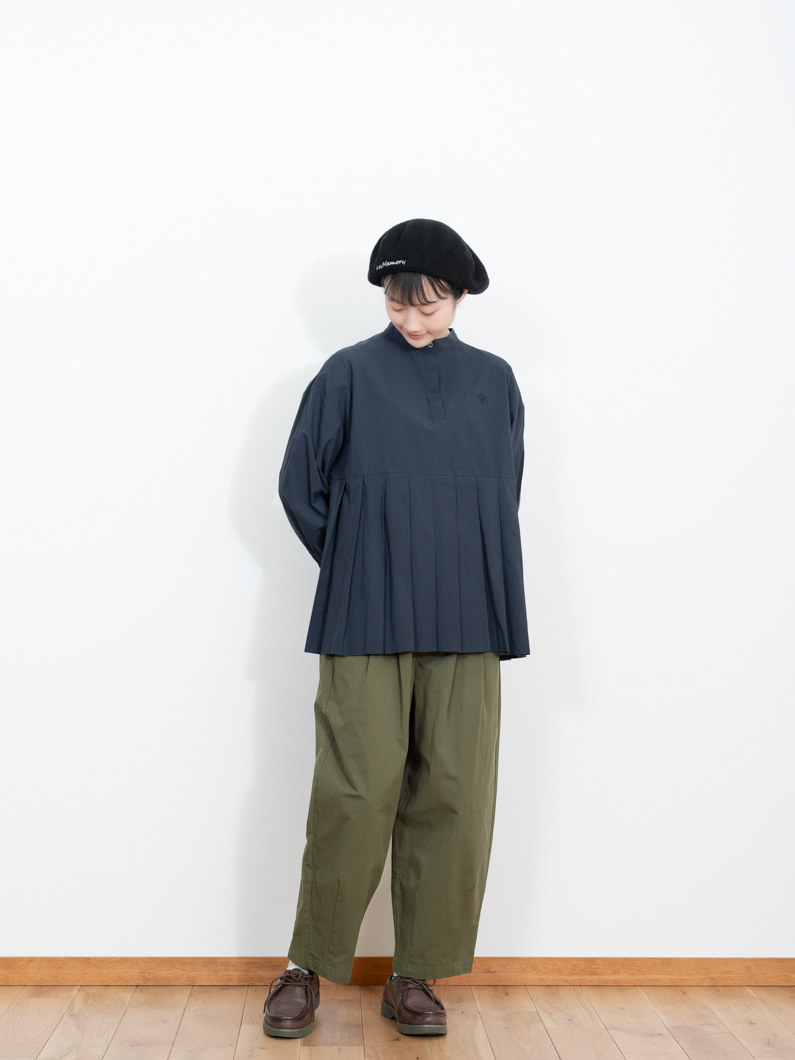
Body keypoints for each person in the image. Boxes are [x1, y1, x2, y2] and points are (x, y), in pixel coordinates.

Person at [263, 218, 529, 1039]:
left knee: (453, 794)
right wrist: (359, 564)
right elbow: (299, 486)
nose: (411, 319)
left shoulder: (494, 381)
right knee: (353, 792)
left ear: (459, 297)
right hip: (364, 615)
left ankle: (415, 974)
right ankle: (304, 966)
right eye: (396, 302)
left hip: (468, 615)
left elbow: (501, 495)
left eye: (428, 304)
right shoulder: (346, 374)